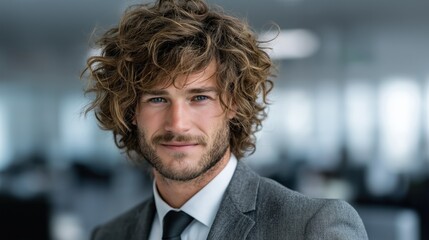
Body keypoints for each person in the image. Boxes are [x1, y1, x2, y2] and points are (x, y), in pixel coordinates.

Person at [84, 0, 368, 239]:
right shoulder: (109, 235)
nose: (177, 124)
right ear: (131, 111)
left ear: (233, 103)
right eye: (157, 99)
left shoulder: (312, 226)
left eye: (199, 98)